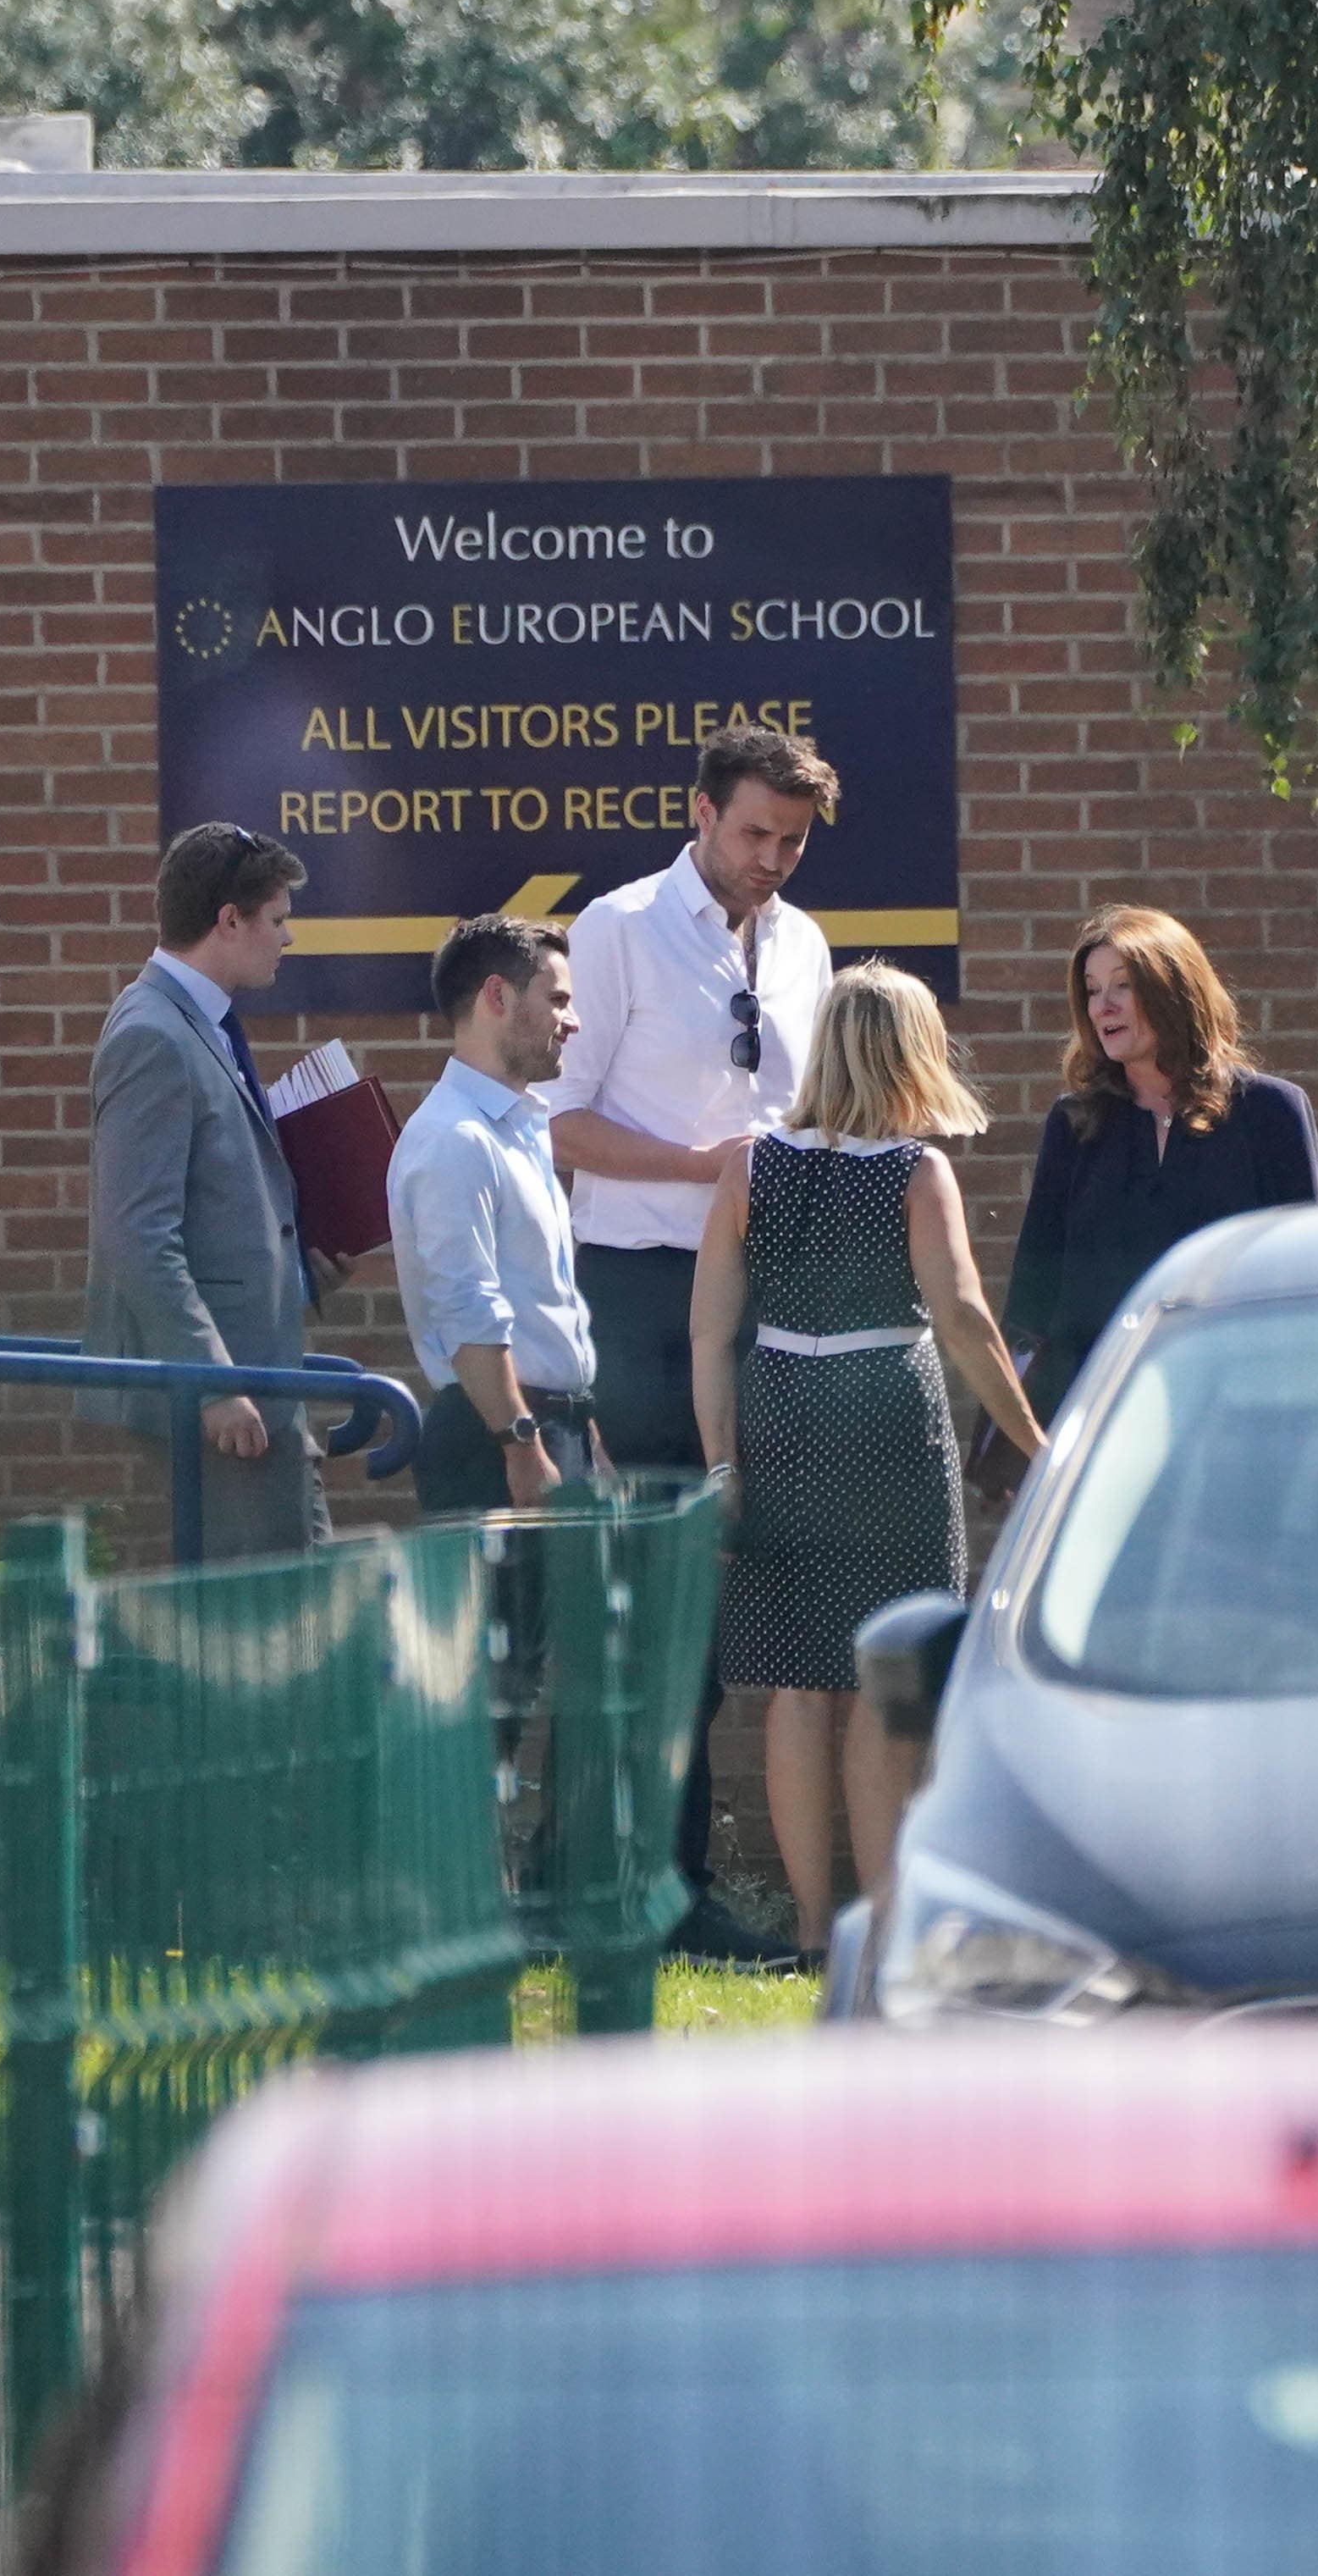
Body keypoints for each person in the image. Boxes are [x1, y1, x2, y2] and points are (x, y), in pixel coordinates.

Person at [549, 724, 839, 1960]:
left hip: (767, 1290)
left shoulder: (807, 943)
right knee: (661, 1587)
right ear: (700, 813)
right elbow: (556, 1126)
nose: (769, 859)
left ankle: (667, 1883)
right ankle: (643, 1887)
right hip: (637, 1280)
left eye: (789, 841)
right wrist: (697, 1169)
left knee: (732, 1591)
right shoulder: (615, 929)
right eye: (752, 833)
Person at [690, 964, 1046, 1962]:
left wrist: (722, 1462)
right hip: (883, 1413)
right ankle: (883, 1925)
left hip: (775, 1416)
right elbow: (968, 1320)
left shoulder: (749, 1164)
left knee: (796, 1688)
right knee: (879, 1677)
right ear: (907, 1049)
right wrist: (1040, 1446)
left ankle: (809, 1928)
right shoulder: (911, 1171)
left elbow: (708, 1332)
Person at [80, 822, 315, 1554]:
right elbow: (137, 1233)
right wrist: (210, 1382)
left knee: (293, 1607)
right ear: (228, 920)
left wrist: (302, 1271)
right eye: (277, 920)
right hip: (222, 1399)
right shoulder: (153, 1035)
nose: (287, 938)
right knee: (259, 1630)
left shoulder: (197, 1023)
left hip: (258, 1379)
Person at [1003, 905, 1318, 1418]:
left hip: (1237, 1407)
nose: (1102, 1006)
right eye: (1091, 990)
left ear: (1172, 989)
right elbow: (1032, 1301)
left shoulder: (1270, 1113)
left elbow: (1309, 1284)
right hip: (1100, 1412)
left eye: (1122, 986)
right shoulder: (1075, 1124)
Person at [385, 915, 596, 1517]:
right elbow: (465, 1308)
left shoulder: (515, 1129)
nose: (572, 1020)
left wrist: (586, 1438)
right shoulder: (454, 1138)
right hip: (496, 1441)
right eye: (557, 999)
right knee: (515, 1612)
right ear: (498, 996)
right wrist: (519, 1444)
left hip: (545, 1429)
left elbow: (548, 1311)